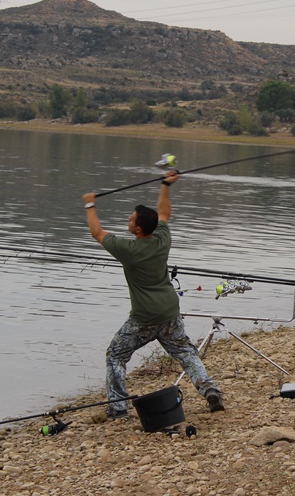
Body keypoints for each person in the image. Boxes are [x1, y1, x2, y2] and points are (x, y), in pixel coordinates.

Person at [82, 173, 224, 418]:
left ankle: (118, 407)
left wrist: (90, 204)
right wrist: (165, 186)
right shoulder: (162, 239)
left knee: (115, 355)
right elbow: (164, 213)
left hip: (144, 318)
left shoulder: (128, 249)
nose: (128, 218)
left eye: (131, 218)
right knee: (186, 353)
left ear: (137, 229)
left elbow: (97, 232)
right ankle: (209, 389)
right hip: (169, 311)